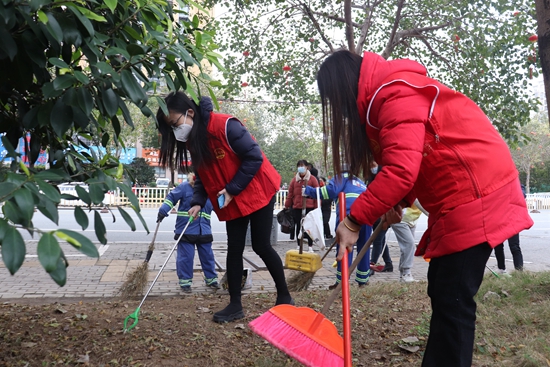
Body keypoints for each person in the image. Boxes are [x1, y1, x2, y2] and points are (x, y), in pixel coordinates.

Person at [317, 50, 533, 367]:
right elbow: (414, 162)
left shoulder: (393, 93)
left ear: (342, 89)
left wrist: (352, 222)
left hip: (478, 193)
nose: (341, 113)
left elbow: (402, 171)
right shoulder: (388, 95)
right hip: (463, 196)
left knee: (453, 297)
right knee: (445, 292)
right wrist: (396, 203)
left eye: (335, 103)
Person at [156, 92, 293, 323]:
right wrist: (198, 201)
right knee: (234, 249)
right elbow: (202, 174)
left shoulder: (225, 125)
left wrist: (231, 189)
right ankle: (235, 304)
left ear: (190, 113)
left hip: (258, 189)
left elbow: (254, 157)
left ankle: (285, 297)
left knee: (261, 245)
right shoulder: (192, 140)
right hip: (231, 196)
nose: (175, 130)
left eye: (174, 123)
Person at [305, 172, 372, 288]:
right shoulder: (360, 182)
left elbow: (329, 191)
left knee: (344, 247)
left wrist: (307, 190)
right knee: (364, 248)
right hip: (367, 214)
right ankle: (363, 280)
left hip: (348, 215)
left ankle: (341, 282)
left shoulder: (342, 177)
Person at [157, 173, 219, 293]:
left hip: (204, 229)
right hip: (186, 228)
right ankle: (185, 282)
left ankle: (211, 279)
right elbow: (171, 198)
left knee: (208, 256)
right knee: (186, 258)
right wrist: (163, 211)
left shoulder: (211, 190)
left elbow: (219, 206)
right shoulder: (184, 187)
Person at [284, 160, 319, 253]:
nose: (300, 167)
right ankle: (299, 244)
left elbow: (317, 193)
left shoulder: (312, 179)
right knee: (299, 226)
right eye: (299, 165)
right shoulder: (294, 180)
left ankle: (310, 246)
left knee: (309, 227)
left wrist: (317, 207)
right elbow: (290, 193)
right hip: (297, 207)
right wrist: (287, 205)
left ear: (307, 167)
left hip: (309, 207)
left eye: (302, 165)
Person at [391, 199, 428, 282]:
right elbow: (418, 201)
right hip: (400, 219)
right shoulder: (415, 188)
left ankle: (403, 275)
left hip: (412, 220)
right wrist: (431, 213)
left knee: (406, 247)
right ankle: (406, 273)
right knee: (409, 245)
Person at [493, 180, 526, 274]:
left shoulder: (514, 181)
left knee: (514, 246)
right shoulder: (495, 183)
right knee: (498, 246)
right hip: (498, 219)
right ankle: (501, 269)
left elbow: (522, 194)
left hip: (512, 219)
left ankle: (519, 272)